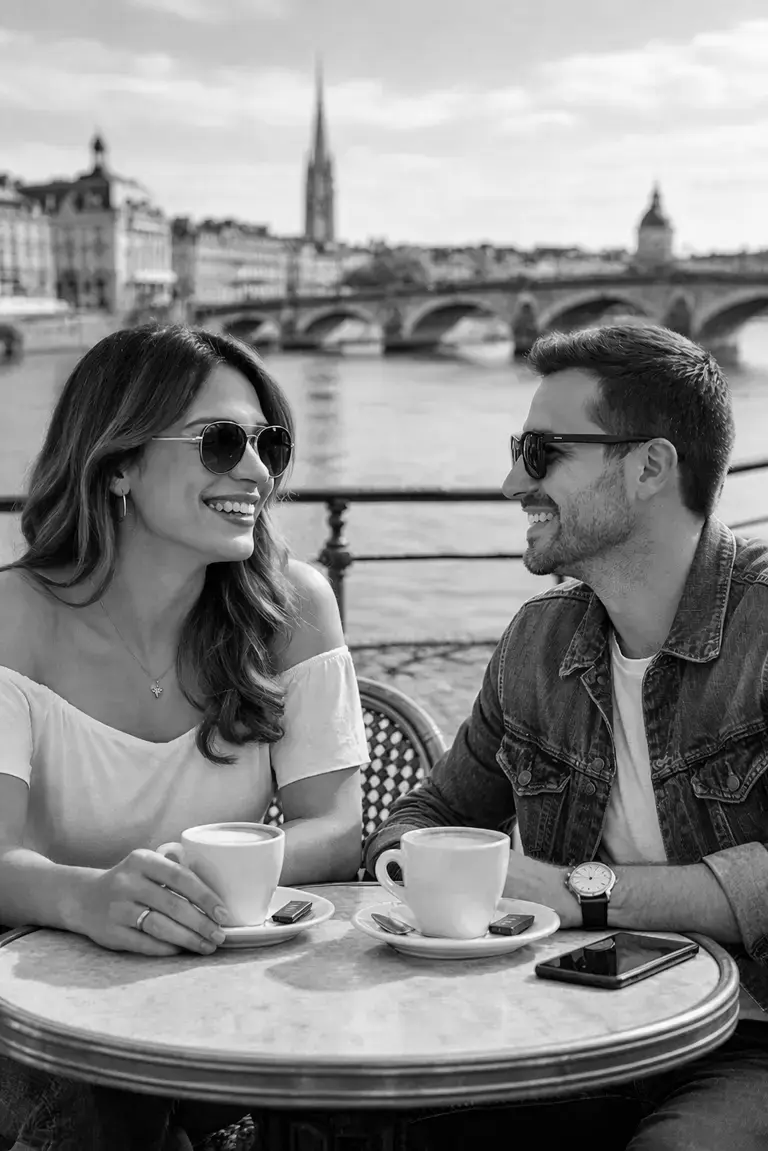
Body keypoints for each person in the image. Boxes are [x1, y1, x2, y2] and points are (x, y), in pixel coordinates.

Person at [364, 323, 768, 1151]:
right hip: (576, 1013)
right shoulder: (537, 644)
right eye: (519, 447)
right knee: (395, 1118)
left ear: (650, 466)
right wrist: (424, 868)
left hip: (750, 1036)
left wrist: (569, 892)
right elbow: (422, 813)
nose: (513, 480)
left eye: (543, 451)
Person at [0, 324, 368, 1150]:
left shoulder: (295, 607)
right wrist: (87, 898)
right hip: (45, 994)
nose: (258, 470)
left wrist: (187, 882)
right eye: (221, 441)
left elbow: (337, 830)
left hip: (236, 975)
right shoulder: (13, 618)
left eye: (268, 443)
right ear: (119, 462)